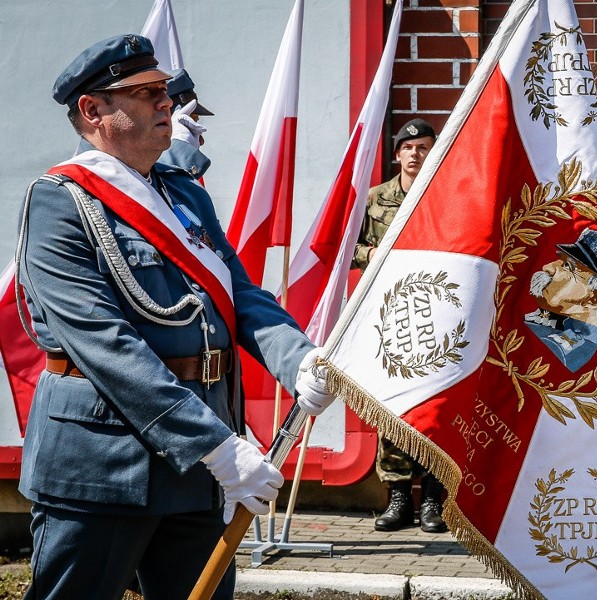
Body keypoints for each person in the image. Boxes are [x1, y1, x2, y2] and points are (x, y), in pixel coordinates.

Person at [16, 34, 335, 600]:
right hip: (104, 465)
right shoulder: (59, 202)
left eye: (164, 90)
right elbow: (104, 345)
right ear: (93, 110)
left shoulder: (184, 196)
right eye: (146, 93)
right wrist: (219, 447)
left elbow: (237, 291)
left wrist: (299, 357)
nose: (167, 103)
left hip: (197, 469)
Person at [352, 118, 447, 534]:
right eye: (408, 148)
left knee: (434, 407)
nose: (415, 154)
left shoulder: (446, 195)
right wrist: (369, 254)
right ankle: (397, 499)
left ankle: (431, 498)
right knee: (392, 406)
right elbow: (347, 248)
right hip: (389, 319)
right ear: (397, 155)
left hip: (435, 317)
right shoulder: (375, 200)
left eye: (423, 147)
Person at [524, 229, 597, 372]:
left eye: (567, 266)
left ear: (593, 299)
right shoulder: (549, 321)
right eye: (560, 261)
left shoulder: (565, 350)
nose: (548, 267)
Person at [160, 68, 213, 180]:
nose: (200, 141)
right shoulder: (142, 165)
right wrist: (178, 151)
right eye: (188, 127)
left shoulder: (189, 162)